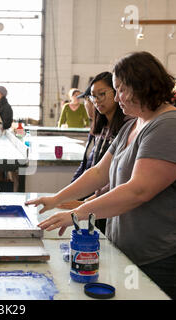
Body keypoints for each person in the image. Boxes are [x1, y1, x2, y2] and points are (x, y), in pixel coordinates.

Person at [26, 51, 176, 300]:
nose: (117, 97)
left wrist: (76, 214)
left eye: (121, 89)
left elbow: (138, 191)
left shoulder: (171, 126)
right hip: (141, 252)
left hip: (170, 256)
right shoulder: (133, 125)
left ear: (142, 85)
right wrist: (56, 199)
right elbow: (99, 172)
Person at [60, 72, 132, 234]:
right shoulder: (101, 127)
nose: (95, 101)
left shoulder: (127, 127)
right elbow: (90, 167)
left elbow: (114, 175)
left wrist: (85, 202)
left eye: (102, 94)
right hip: (93, 202)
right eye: (92, 97)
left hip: (108, 203)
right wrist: (71, 196)